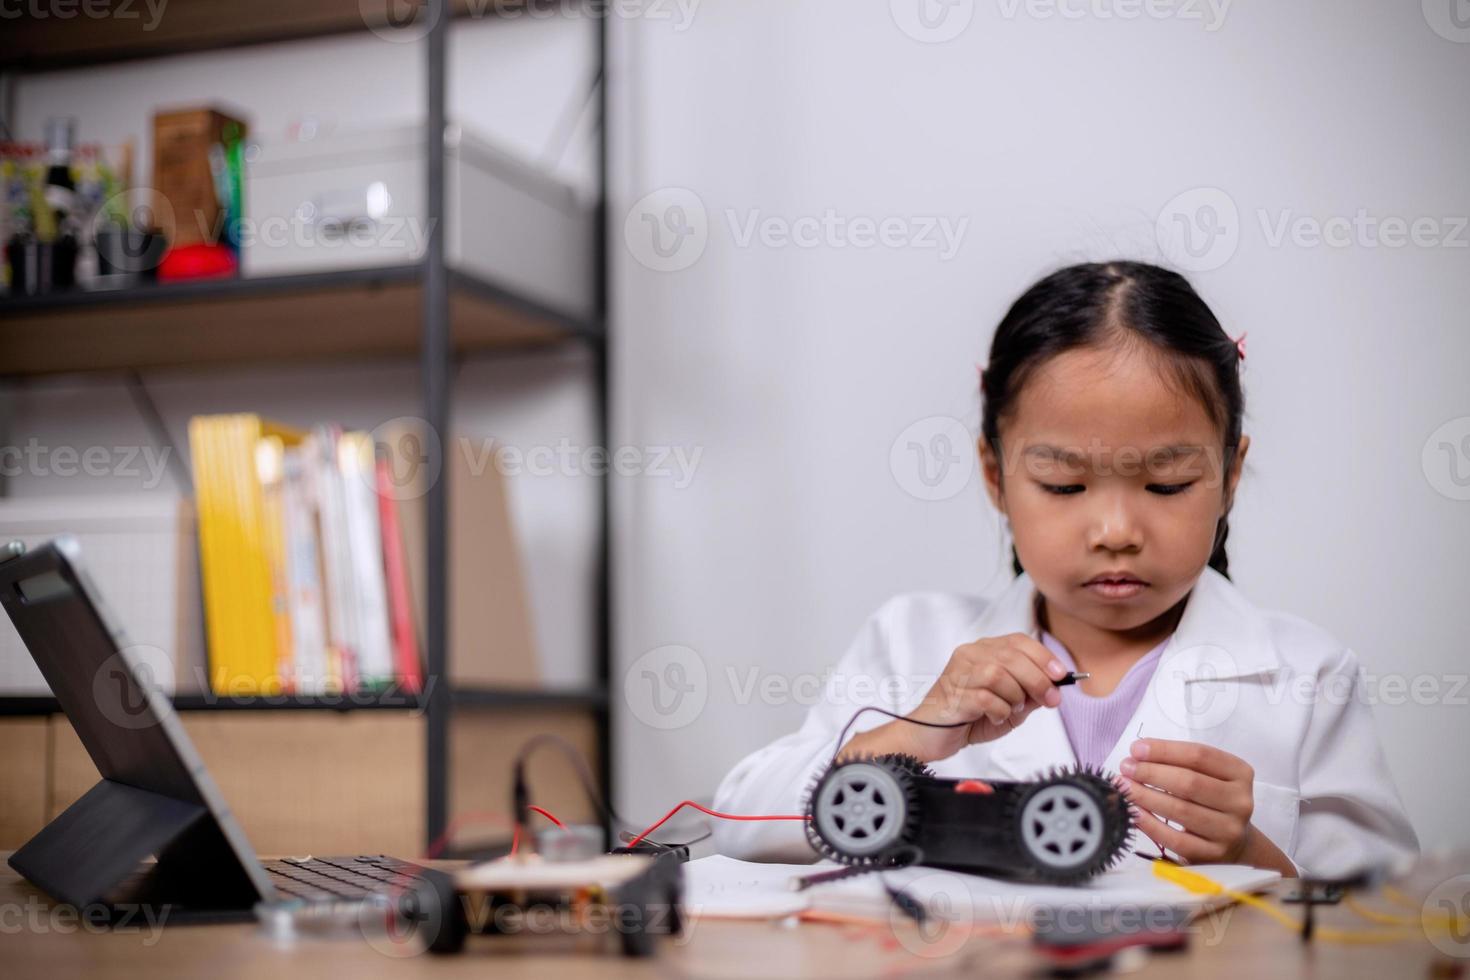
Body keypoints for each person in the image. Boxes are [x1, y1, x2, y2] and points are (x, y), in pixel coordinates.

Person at [712, 260, 1418, 879]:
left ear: (1230, 475)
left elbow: (1387, 918)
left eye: (1167, 484)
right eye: (1064, 485)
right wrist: (910, 735)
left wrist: (1252, 855)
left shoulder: (1308, 677)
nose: (1116, 533)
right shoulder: (909, 640)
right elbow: (741, 822)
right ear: (996, 476)